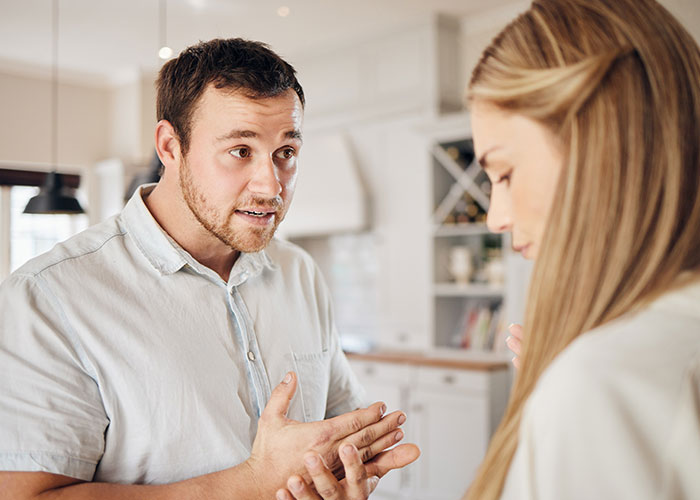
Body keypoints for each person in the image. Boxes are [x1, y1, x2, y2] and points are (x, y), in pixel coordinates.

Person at [277, 0, 700, 498]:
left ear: (599, 147)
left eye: (504, 172)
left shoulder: (599, 382)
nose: (497, 217)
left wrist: (566, 396)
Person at [0, 38, 419, 499]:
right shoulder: (47, 298)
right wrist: (252, 484)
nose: (270, 185)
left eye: (286, 153)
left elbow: (334, 431)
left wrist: (342, 472)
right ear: (170, 146)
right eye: (241, 150)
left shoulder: (300, 272)